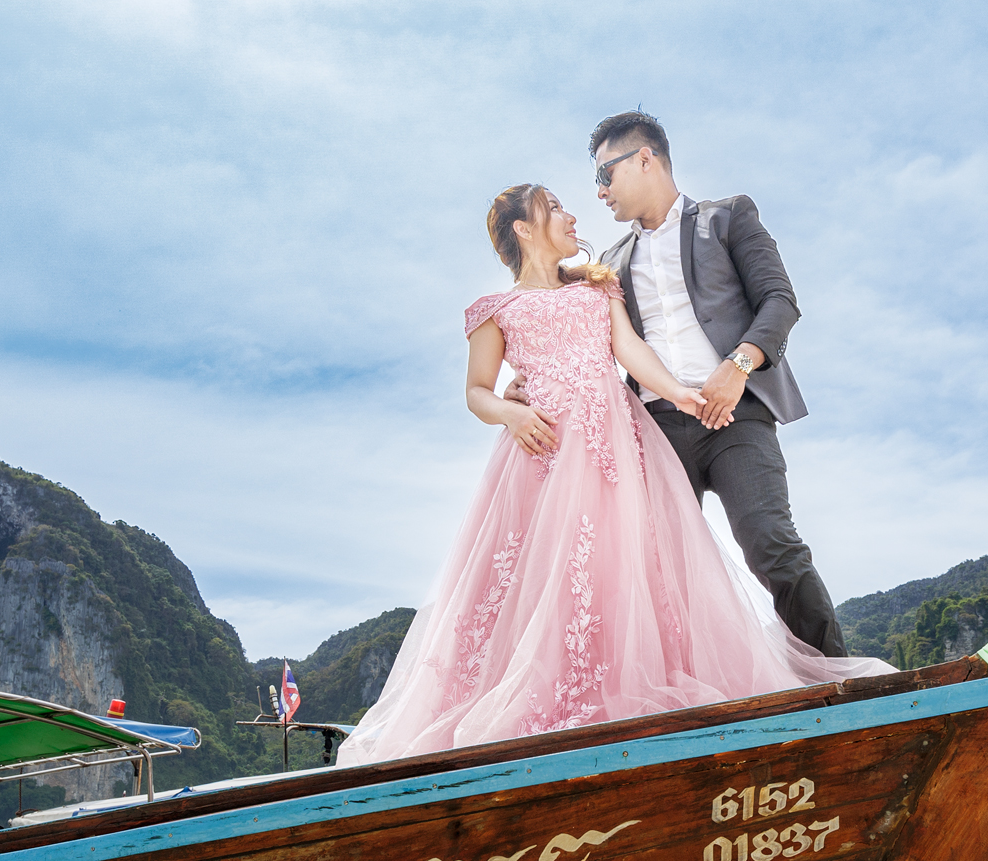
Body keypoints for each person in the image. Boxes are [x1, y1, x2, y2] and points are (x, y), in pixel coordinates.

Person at [335, 185, 892, 765]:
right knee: (542, 575)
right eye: (553, 207)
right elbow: (476, 391)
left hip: (612, 444)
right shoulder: (493, 310)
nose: (571, 212)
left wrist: (682, 394)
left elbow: (629, 350)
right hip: (543, 451)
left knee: (623, 564)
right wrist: (511, 410)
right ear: (523, 229)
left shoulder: (598, 288)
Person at [586, 111, 852, 658]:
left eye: (604, 175)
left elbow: (779, 300)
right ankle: (686, 701)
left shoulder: (729, 217)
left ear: (645, 158)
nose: (599, 192)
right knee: (663, 571)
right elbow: (573, 334)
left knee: (771, 545)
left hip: (736, 418)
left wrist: (739, 364)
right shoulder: (606, 265)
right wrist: (524, 384)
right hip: (655, 430)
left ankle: (839, 681)